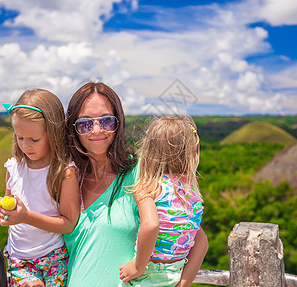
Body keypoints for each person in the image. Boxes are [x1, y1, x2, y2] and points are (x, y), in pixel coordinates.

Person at [62, 81, 208, 287]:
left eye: (106, 121)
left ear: (119, 123)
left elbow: (196, 235)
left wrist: (182, 283)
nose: (96, 130)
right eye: (85, 124)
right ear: (73, 129)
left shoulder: (143, 173)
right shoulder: (68, 178)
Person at [0, 89, 80, 287]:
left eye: (34, 140)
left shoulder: (64, 172)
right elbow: (8, 218)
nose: (26, 146)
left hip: (54, 257)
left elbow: (69, 224)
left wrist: (26, 217)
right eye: (20, 137)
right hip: (19, 258)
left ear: (54, 134)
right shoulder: (13, 168)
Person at [119, 116, 205, 286]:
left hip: (147, 275)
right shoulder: (191, 193)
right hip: (175, 275)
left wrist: (138, 267)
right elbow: (202, 243)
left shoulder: (148, 187)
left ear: (149, 150)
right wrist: (183, 283)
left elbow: (151, 225)